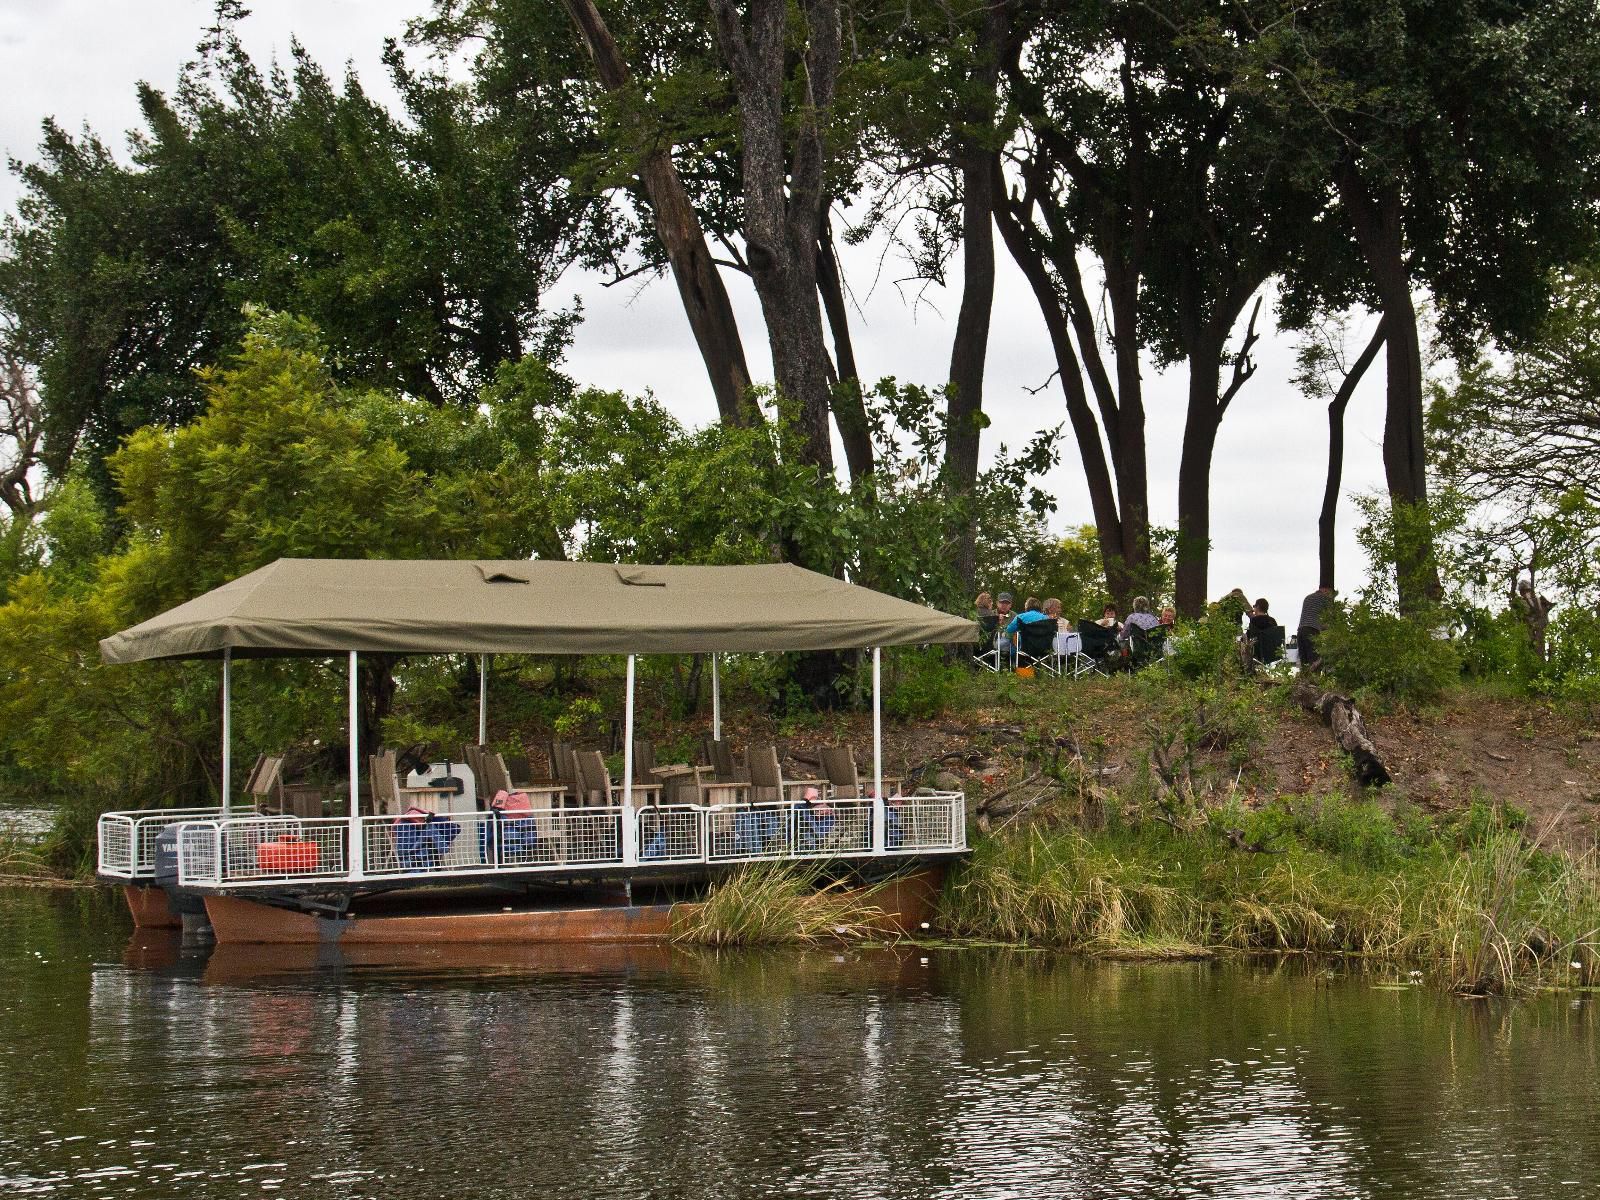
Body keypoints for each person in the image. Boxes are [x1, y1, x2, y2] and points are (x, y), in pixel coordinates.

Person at [1512, 580, 1555, 662]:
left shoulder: (1538, 601)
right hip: (1527, 630)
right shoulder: (1520, 603)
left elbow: (1542, 612)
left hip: (1539, 628)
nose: (1524, 593)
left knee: (1540, 648)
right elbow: (1520, 616)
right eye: (1522, 591)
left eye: (1526, 590)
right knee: (1529, 649)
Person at [1296, 584, 1335, 671]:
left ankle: (1305, 681)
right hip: (1312, 632)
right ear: (1326, 590)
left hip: (1301, 631)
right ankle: (1314, 682)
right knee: (1315, 662)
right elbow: (1330, 619)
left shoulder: (1307, 598)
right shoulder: (1325, 599)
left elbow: (1311, 617)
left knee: (1304, 663)